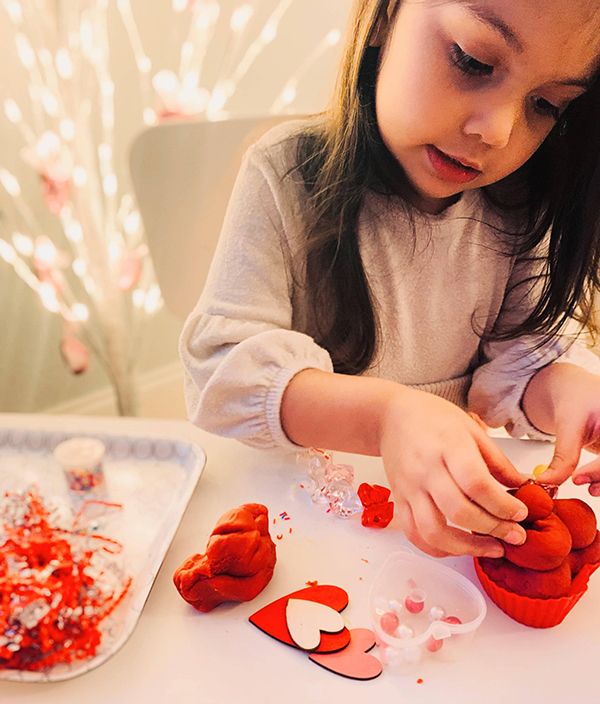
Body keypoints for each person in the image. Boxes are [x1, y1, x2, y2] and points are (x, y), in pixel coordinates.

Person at [180, 0, 600, 559]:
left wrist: (570, 392)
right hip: (302, 523)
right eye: (473, 60)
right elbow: (222, 376)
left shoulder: (521, 204)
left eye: (546, 104)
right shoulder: (285, 172)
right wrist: (386, 419)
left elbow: (521, 362)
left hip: (440, 532)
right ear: (384, 16)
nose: (498, 131)